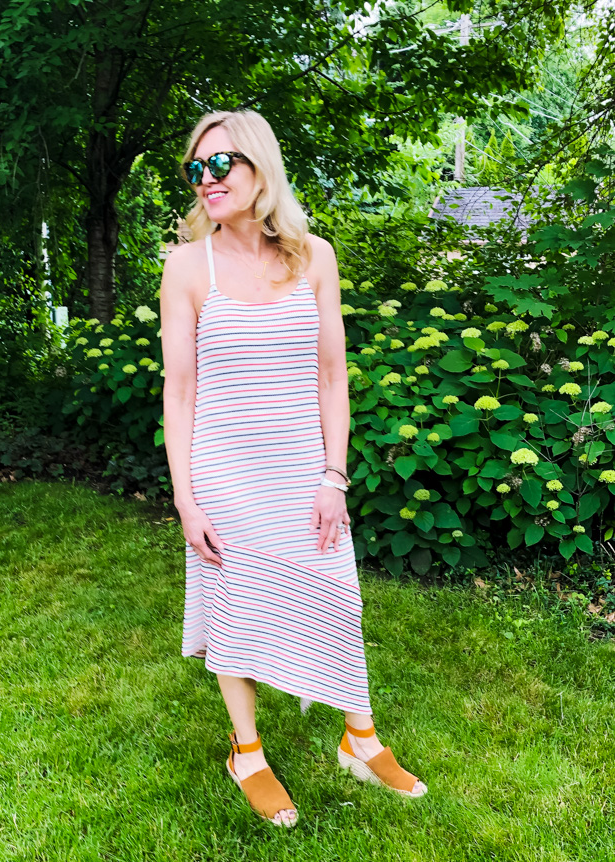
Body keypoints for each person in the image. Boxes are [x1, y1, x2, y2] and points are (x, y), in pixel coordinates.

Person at [160, 110, 426, 828]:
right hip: (224, 473)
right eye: (197, 169)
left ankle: (359, 738)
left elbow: (332, 378)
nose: (207, 180)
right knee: (236, 609)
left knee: (339, 595)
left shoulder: (314, 256)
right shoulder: (188, 266)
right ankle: (246, 752)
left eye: (223, 165)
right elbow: (179, 390)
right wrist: (185, 497)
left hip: (303, 470)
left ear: (260, 169)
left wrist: (333, 475)